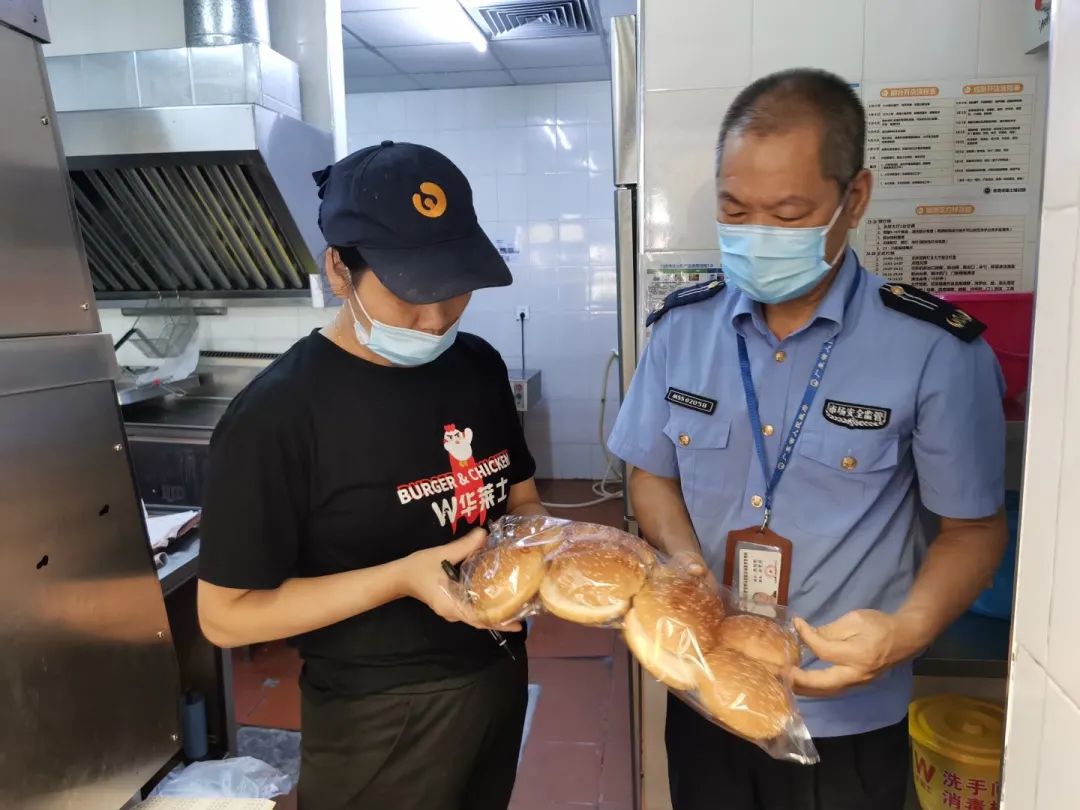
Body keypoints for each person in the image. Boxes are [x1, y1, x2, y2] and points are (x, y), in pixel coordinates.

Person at [608, 69, 1007, 810]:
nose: (757, 234)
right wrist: (687, 565)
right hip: (709, 694)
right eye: (735, 210)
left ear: (854, 198)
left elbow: (974, 530)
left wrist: (904, 632)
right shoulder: (681, 330)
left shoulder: (935, 349)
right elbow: (651, 475)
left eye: (789, 213)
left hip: (848, 717)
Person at [197, 141, 547, 810]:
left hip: (499, 677)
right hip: (380, 718)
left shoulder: (477, 365)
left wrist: (547, 561)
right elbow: (225, 616)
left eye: (453, 286)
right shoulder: (279, 414)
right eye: (411, 291)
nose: (437, 317)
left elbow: (521, 501)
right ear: (339, 268)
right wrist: (402, 577)